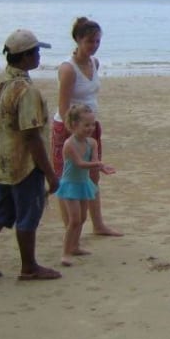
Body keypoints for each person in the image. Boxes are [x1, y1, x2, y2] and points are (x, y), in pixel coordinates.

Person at [0, 28, 61, 282]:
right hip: (23, 163)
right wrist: (50, 173)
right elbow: (32, 136)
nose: (39, 56)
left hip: (0, 159)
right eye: (36, 52)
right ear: (25, 57)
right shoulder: (26, 91)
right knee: (28, 214)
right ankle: (29, 267)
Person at [52, 16, 121, 236]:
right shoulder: (68, 69)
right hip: (68, 129)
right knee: (67, 179)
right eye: (90, 41)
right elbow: (63, 108)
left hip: (90, 127)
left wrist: (88, 131)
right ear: (78, 41)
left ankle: (98, 225)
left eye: (98, 41)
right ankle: (71, 230)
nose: (94, 46)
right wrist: (75, 136)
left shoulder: (95, 63)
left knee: (93, 175)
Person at [58, 104, 117, 266]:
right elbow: (80, 163)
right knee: (74, 220)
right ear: (74, 125)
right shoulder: (69, 144)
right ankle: (66, 252)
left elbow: (93, 162)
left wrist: (103, 168)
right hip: (70, 185)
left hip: (84, 183)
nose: (90, 128)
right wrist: (99, 164)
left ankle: (75, 246)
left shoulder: (92, 143)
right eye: (86, 125)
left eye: (93, 124)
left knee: (83, 218)